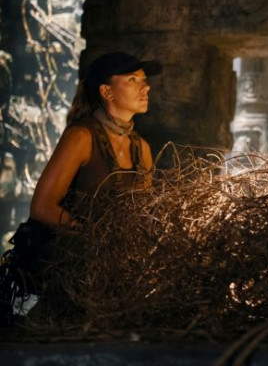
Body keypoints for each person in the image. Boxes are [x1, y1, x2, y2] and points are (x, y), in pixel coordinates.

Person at [1, 51, 161, 325]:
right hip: (72, 261)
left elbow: (141, 215)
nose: (145, 87)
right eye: (133, 80)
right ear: (106, 92)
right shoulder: (82, 137)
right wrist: (94, 239)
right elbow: (42, 208)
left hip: (117, 265)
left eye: (144, 80)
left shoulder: (142, 149)